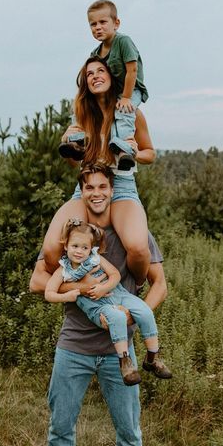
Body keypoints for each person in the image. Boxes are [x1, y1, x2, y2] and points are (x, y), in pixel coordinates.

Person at [31, 164, 168, 446]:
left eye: (102, 186)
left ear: (113, 189)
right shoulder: (73, 235)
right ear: (82, 191)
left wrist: (130, 315)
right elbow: (37, 281)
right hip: (73, 345)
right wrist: (81, 287)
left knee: (128, 427)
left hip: (117, 349)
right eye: (89, 187)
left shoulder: (135, 234)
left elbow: (160, 285)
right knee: (60, 422)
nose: (96, 193)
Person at [43, 57, 153, 287]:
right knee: (52, 248)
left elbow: (150, 154)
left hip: (121, 186)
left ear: (112, 77)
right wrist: (69, 150)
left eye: (100, 70)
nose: (95, 76)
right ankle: (81, 284)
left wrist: (134, 152)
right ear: (86, 83)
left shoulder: (131, 113)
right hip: (87, 187)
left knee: (139, 249)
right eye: (90, 73)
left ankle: (135, 289)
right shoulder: (82, 115)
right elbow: (75, 166)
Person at [45, 217, 172, 386]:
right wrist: (67, 296)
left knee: (144, 311)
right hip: (97, 305)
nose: (79, 251)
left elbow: (115, 275)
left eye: (85, 247)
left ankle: (152, 357)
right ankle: (125, 363)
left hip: (118, 293)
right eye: (75, 246)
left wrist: (104, 288)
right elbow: (49, 293)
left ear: (91, 248)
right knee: (118, 317)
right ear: (66, 245)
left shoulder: (96, 258)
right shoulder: (64, 270)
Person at [59, 0, 148, 171]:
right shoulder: (96, 53)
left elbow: (132, 70)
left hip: (132, 89)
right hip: (116, 92)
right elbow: (97, 74)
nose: (97, 27)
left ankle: (124, 150)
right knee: (81, 108)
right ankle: (78, 142)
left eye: (102, 22)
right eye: (93, 24)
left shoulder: (123, 42)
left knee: (124, 113)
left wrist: (127, 97)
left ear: (116, 23)